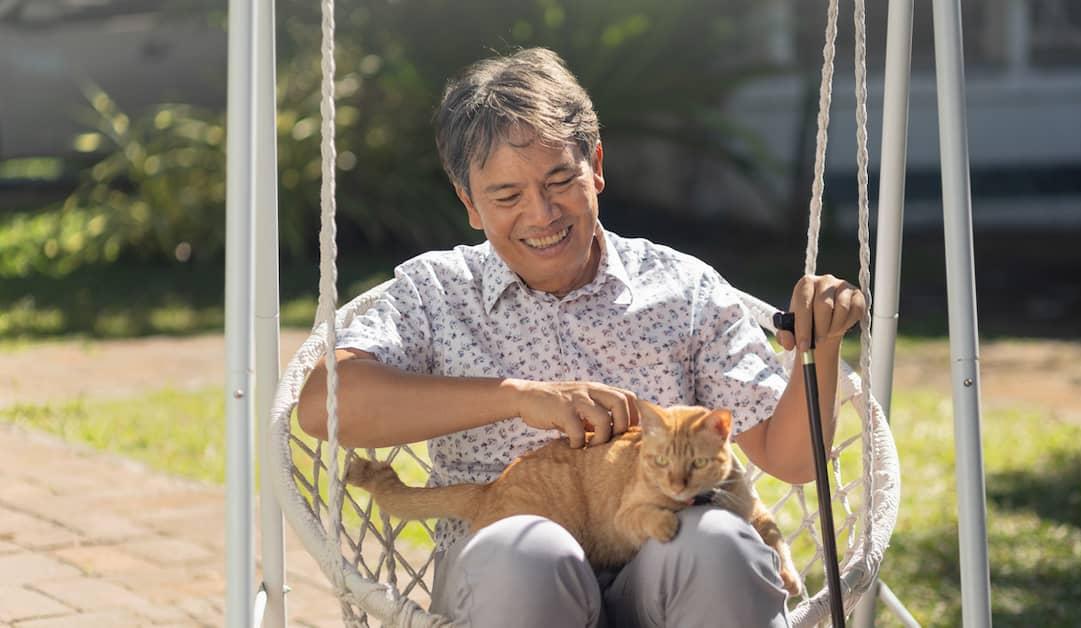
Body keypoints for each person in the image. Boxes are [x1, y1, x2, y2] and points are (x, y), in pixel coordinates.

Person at [297, 47, 865, 628]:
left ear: (595, 165)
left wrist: (818, 349)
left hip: (660, 572)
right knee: (527, 555)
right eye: (506, 196)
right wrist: (516, 396)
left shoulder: (681, 288)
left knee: (720, 539)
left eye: (560, 180)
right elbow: (323, 404)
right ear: (469, 202)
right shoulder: (437, 292)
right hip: (508, 581)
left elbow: (791, 458)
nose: (541, 215)